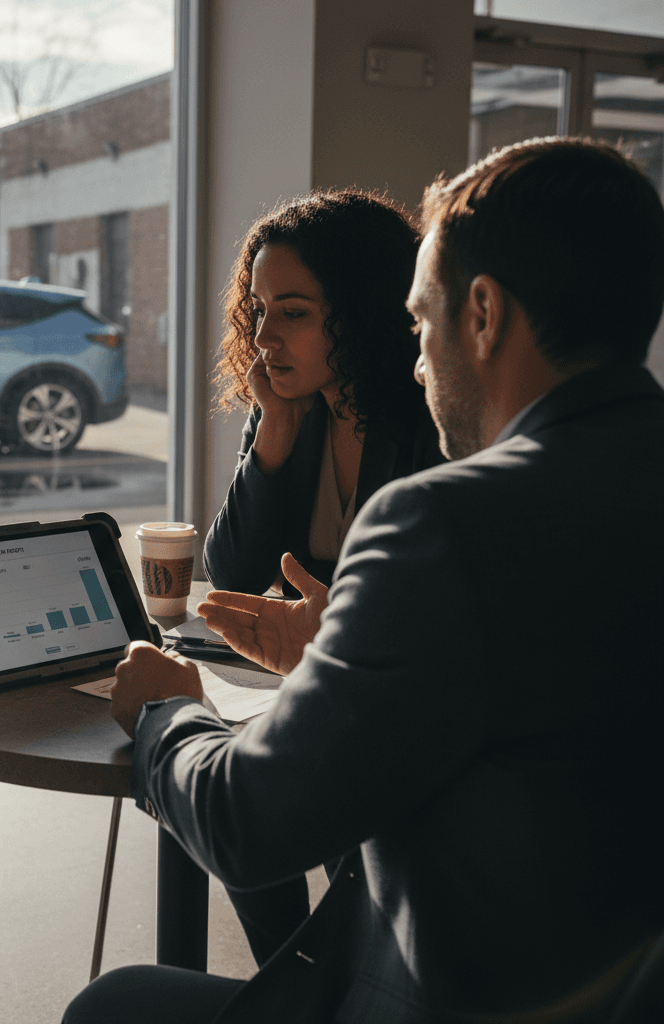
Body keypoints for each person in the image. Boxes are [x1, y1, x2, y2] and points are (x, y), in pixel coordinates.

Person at [62, 136, 664, 1024]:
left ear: (485, 314)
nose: (417, 358)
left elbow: (244, 822)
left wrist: (165, 711)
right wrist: (338, 655)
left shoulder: (442, 519)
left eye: (422, 321)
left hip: (450, 997)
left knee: (110, 1007)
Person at [203, 188, 444, 599]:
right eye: (259, 309)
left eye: (293, 313)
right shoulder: (280, 409)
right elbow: (233, 577)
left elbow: (425, 591)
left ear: (362, 313)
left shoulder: (432, 421)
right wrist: (275, 430)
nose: (262, 338)